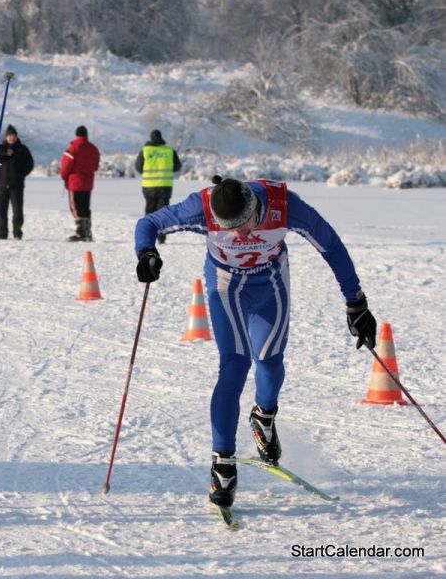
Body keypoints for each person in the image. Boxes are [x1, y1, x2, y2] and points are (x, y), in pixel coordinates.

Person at [133, 176, 377, 508]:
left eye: (243, 225)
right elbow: (148, 222)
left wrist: (356, 302)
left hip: (270, 285)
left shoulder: (285, 206)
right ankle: (223, 463)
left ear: (254, 208)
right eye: (227, 228)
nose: (238, 235)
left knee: (270, 363)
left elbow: (331, 246)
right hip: (226, 286)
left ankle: (263, 417)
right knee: (234, 366)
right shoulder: (201, 208)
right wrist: (146, 253)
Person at [134, 129, 181, 244]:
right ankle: (161, 237)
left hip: (148, 186)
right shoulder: (169, 150)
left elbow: (138, 166)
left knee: (149, 211)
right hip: (165, 186)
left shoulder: (145, 151)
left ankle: (148, 235)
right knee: (163, 212)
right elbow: (177, 166)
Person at [0, 124, 34, 240]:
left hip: (16, 185)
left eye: (13, 136)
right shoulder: (1, 148)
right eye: (9, 136)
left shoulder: (22, 149)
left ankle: (17, 232)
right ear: (6, 137)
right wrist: (4, 154)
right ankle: (2, 233)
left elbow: (30, 164)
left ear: (16, 137)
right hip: (2, 184)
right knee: (1, 210)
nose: (11, 138)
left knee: (17, 210)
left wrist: (21, 175)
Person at [60, 126, 100, 242]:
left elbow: (65, 167)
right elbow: (96, 166)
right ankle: (87, 232)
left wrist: (64, 177)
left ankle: (81, 233)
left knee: (76, 208)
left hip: (75, 183)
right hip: (88, 183)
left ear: (76, 135)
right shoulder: (93, 149)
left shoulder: (72, 148)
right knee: (85, 207)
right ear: (86, 135)